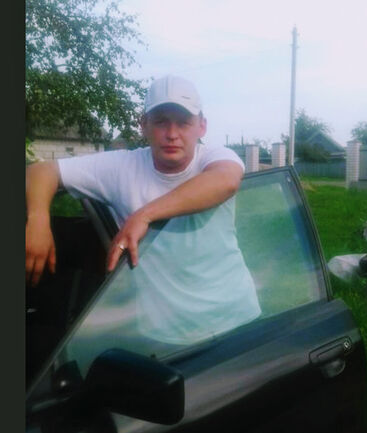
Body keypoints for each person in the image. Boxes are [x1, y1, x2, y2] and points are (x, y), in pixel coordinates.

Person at [26, 75, 261, 346]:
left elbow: (226, 181)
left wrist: (144, 215)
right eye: (161, 121)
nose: (172, 134)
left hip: (238, 319)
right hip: (164, 337)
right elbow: (40, 171)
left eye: (183, 122)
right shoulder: (121, 167)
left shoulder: (215, 157)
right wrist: (38, 220)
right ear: (143, 124)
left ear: (202, 126)